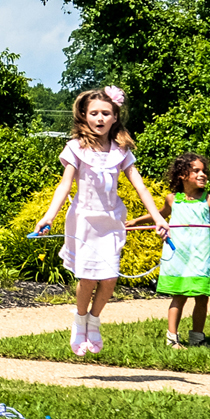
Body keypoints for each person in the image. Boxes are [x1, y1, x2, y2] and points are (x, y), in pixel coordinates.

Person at [34, 86, 170, 357]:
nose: (99, 118)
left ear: (115, 117)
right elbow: (64, 186)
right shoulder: (76, 148)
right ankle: (79, 320)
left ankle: (94, 320)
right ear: (84, 116)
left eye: (105, 113)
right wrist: (49, 216)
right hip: (84, 221)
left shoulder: (120, 151)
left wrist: (158, 218)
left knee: (109, 278)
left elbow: (141, 187)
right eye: (93, 113)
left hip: (110, 221)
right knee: (87, 278)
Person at [158, 152, 210, 348]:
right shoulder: (172, 199)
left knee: (201, 298)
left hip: (202, 256)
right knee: (179, 297)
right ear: (182, 175)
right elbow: (159, 217)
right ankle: (172, 339)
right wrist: (135, 221)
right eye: (196, 171)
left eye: (204, 171)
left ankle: (197, 338)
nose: (202, 174)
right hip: (180, 256)